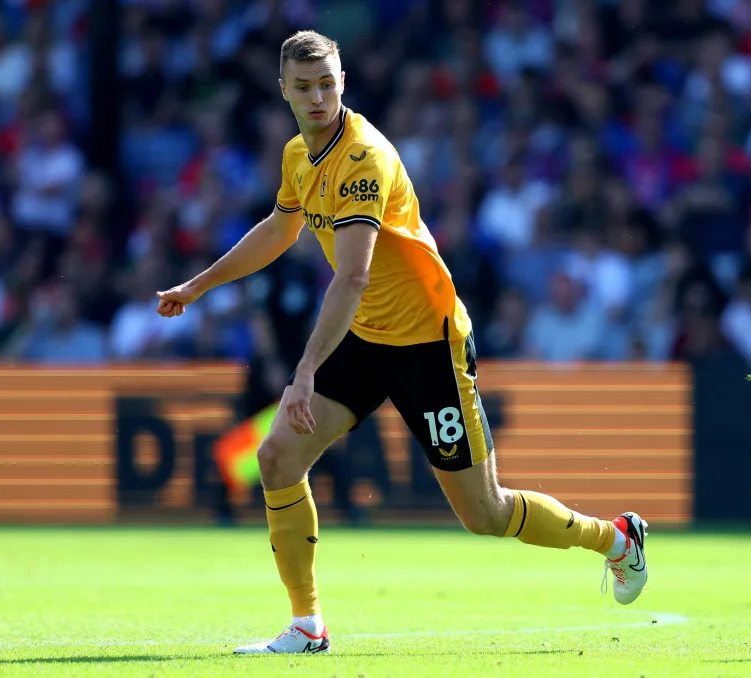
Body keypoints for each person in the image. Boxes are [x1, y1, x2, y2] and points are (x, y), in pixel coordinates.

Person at [155, 31, 648, 655]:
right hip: (365, 337)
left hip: (427, 345)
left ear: (343, 82)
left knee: (486, 515)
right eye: (303, 87)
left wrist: (305, 368)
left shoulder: (365, 159)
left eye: (327, 84)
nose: (317, 97)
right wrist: (198, 285)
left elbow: (354, 274)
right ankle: (307, 625)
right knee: (277, 457)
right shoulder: (297, 158)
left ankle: (616, 539)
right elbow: (282, 227)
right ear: (283, 90)